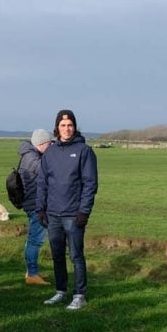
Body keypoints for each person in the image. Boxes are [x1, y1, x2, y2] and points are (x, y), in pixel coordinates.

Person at [36, 109, 98, 310]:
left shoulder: (84, 151)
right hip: (53, 214)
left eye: (70, 125)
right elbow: (43, 182)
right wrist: (41, 208)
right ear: (57, 128)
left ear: (75, 127)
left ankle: (79, 295)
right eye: (63, 125)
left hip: (73, 214)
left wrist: (84, 211)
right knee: (57, 254)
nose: (66, 129)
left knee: (76, 255)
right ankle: (60, 291)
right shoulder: (50, 152)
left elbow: (90, 183)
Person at [19, 128, 52, 285]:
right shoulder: (33, 159)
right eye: (49, 143)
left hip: (31, 202)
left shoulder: (29, 155)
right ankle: (32, 274)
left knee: (32, 238)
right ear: (42, 143)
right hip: (35, 204)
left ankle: (30, 271)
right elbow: (49, 171)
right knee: (35, 240)